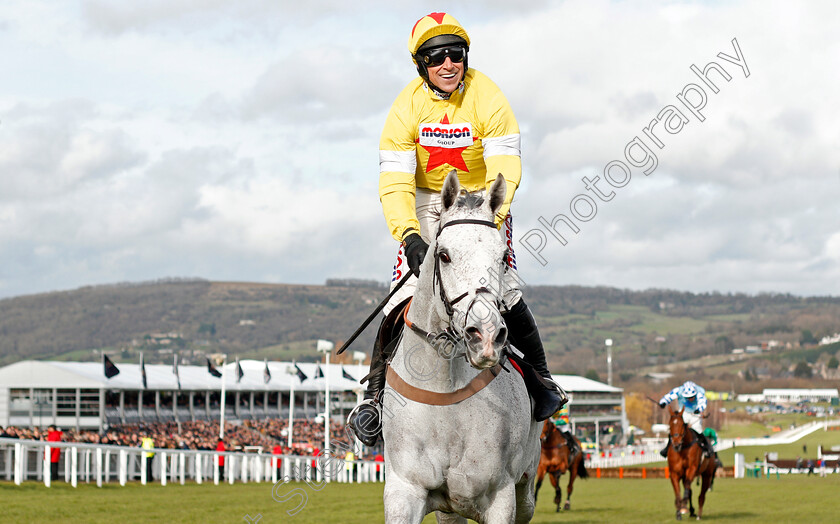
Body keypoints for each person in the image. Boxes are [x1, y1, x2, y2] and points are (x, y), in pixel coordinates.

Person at [347, 11, 566, 447]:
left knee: (504, 290)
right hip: (428, 200)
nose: (447, 64)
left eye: (455, 54)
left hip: (483, 199)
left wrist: (492, 222)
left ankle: (541, 383)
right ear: (420, 65)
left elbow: (505, 165)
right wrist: (408, 235)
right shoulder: (405, 107)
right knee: (406, 295)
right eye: (435, 57)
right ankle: (374, 400)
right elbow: (394, 181)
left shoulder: (489, 96)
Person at [658, 381, 715, 459]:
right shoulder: (679, 390)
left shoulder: (699, 391)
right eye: (688, 398)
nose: (690, 399)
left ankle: (707, 448)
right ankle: (667, 448)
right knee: (676, 429)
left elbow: (702, 402)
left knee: (697, 429)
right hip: (684, 412)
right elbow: (669, 396)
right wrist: (663, 402)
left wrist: (699, 409)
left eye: (692, 397)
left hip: (695, 413)